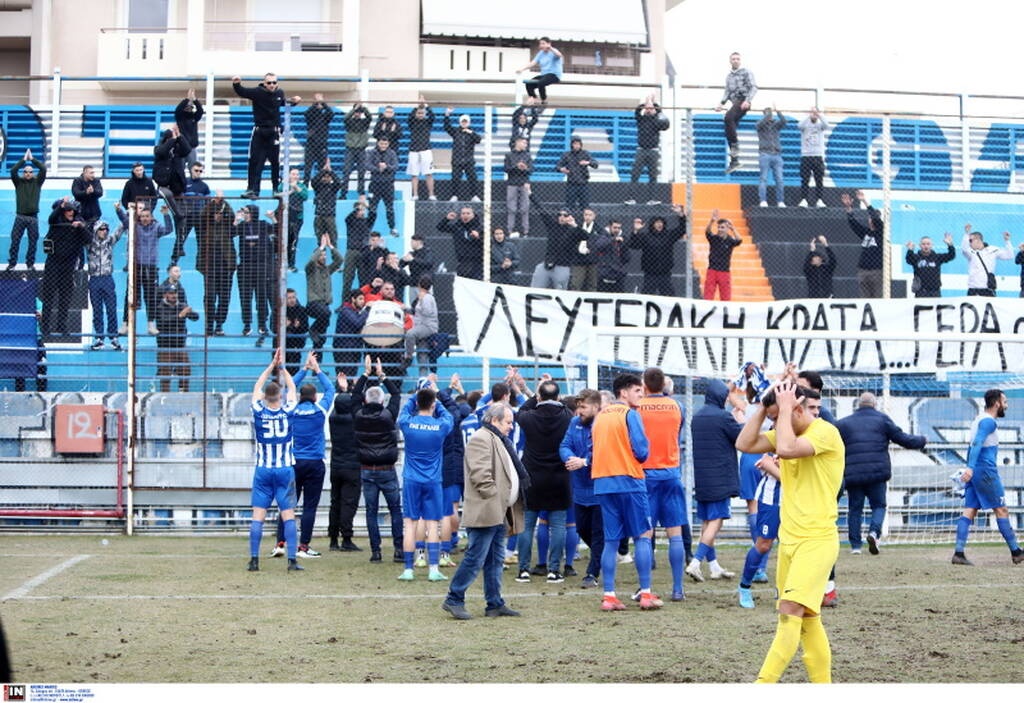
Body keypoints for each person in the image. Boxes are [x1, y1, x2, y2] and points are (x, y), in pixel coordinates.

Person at [735, 382, 843, 683]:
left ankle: (762, 685)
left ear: (796, 409)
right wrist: (761, 409)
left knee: (789, 609)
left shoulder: (824, 432)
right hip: (790, 542)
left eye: (779, 416)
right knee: (808, 619)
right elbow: (743, 444)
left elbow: (785, 449)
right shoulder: (787, 428)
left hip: (817, 541)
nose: (775, 423)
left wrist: (782, 410)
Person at [442, 402, 526, 619]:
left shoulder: (495, 438)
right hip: (487, 510)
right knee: (475, 558)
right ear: (494, 420)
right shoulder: (481, 438)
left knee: (494, 559)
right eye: (508, 422)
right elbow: (480, 474)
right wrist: (496, 497)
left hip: (497, 510)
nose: (511, 426)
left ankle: (494, 603)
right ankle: (454, 598)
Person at [590, 373, 660, 611]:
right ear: (624, 392)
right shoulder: (630, 414)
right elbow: (641, 451)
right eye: (637, 391)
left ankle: (609, 595)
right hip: (629, 480)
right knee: (643, 534)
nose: (641, 395)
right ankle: (646, 593)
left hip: (602, 482)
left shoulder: (599, 417)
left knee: (611, 540)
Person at [836, 392, 926, 556]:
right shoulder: (882, 420)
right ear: (874, 404)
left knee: (855, 509)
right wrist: (922, 440)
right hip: (877, 473)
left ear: (859, 404)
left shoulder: (844, 423)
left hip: (853, 474)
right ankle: (874, 533)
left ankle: (855, 546)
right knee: (878, 506)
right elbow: (903, 439)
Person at [269, 352, 335, 559]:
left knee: (287, 504)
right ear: (315, 397)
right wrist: (317, 370)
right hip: (315, 463)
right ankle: (303, 547)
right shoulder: (320, 411)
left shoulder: (291, 410)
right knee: (310, 506)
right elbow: (331, 389)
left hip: (294, 461)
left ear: (299, 396)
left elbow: (287, 388)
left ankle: (281, 543)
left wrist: (303, 370)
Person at [952, 388, 1024, 566]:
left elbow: (973, 445)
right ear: (997, 403)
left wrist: (970, 468)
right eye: (1005, 402)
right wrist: (970, 468)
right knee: (1001, 509)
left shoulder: (978, 419)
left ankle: (958, 553)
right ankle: (1016, 552)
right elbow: (976, 443)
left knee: (970, 509)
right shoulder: (988, 422)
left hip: (976, 470)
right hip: (985, 472)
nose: (1006, 406)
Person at [247, 349, 302, 573]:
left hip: (263, 469)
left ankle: (254, 560)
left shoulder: (259, 410)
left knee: (257, 516)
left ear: (264, 397)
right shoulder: (288, 409)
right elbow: (292, 389)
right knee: (288, 515)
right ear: (279, 397)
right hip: (284, 470)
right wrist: (282, 368)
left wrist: (270, 367)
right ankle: (291, 561)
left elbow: (256, 389)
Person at [514, 378, 574, 584]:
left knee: (527, 525)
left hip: (532, 477)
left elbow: (521, 410)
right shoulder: (567, 416)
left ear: (540, 396)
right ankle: (554, 570)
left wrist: (533, 395)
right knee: (558, 525)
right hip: (559, 476)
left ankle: (523, 569)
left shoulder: (529, 417)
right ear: (558, 397)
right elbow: (567, 404)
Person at [636, 367, 688, 602]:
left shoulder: (637, 409)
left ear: (644, 385)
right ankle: (678, 589)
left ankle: (645, 587)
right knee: (675, 534)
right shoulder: (678, 406)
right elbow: (677, 435)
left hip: (645, 474)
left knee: (645, 535)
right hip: (671, 472)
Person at [396, 381, 454, 582]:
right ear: (433, 405)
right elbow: (449, 416)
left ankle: (408, 569)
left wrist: (416, 396)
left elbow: (404, 410)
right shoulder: (441, 426)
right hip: (432, 480)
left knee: (410, 524)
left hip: (411, 479)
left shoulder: (408, 423)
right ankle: (433, 569)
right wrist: (436, 397)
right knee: (432, 524)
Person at [687, 379, 743, 582]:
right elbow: (742, 438)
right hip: (720, 477)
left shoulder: (697, 416)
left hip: (702, 477)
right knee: (716, 521)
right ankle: (695, 562)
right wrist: (739, 420)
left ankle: (714, 566)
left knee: (707, 521)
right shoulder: (723, 417)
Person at [353, 356, 404, 563]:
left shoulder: (358, 415)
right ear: (382, 401)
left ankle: (376, 551)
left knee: (371, 511)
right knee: (395, 510)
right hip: (387, 468)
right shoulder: (388, 415)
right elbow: (397, 393)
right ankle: (399, 549)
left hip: (367, 468)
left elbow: (355, 395)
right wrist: (382, 375)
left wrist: (366, 374)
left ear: (366, 401)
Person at [560, 389, 603, 588]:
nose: (579, 411)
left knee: (597, 533)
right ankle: (604, 553)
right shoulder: (574, 423)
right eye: (578, 406)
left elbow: (605, 451)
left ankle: (592, 573)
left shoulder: (603, 424)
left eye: (583, 407)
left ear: (596, 406)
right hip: (579, 489)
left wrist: (585, 461)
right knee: (582, 528)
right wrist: (570, 458)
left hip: (600, 488)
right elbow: (564, 445)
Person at [232, 73, 301, 198]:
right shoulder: (257, 92)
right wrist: (236, 83)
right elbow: (242, 92)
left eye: (274, 82)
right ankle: (252, 189)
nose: (272, 85)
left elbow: (282, 103)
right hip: (259, 131)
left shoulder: (279, 93)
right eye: (269, 83)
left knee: (275, 162)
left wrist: (294, 102)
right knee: (255, 161)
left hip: (273, 132)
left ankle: (276, 189)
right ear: (264, 83)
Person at [114, 203, 173, 336]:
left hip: (151, 267)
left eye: (147, 216)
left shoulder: (156, 227)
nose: (145, 218)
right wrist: (118, 210)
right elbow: (125, 220)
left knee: (151, 297)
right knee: (129, 296)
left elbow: (169, 229)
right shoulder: (135, 227)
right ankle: (125, 324)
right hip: (136, 266)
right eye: (143, 216)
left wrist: (166, 214)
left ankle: (151, 325)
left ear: (151, 217)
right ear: (139, 218)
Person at [736, 452, 781, 609]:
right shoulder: (776, 434)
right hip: (771, 499)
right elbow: (764, 461)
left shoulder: (809, 435)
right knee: (763, 544)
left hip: (798, 498)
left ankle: (786, 591)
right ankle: (745, 586)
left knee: (793, 545)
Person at [40, 200, 90, 337]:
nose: (71, 212)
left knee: (65, 297)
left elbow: (88, 239)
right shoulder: (57, 222)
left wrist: (80, 227)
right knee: (49, 296)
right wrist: (61, 206)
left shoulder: (77, 223)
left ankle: (61, 326)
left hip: (68, 267)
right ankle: (45, 327)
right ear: (63, 211)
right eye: (68, 210)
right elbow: (51, 219)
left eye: (72, 210)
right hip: (53, 264)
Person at [328, 371, 362, 551]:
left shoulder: (333, 418)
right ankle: (346, 538)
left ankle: (333, 538)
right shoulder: (354, 419)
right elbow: (356, 404)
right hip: (352, 466)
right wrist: (353, 388)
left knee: (335, 502)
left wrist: (342, 389)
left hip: (336, 465)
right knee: (349, 503)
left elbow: (340, 404)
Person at [233, 204, 275, 339]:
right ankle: (247, 325)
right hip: (245, 267)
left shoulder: (263, 225)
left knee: (261, 297)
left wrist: (273, 218)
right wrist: (236, 220)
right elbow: (231, 233)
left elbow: (277, 230)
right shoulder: (242, 226)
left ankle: (262, 325)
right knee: (245, 298)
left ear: (253, 213)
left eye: (246, 212)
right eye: (243, 212)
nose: (244, 214)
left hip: (261, 267)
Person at [196, 195, 235, 336]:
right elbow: (201, 216)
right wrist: (214, 204)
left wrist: (223, 202)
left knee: (225, 297)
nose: (218, 216)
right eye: (215, 214)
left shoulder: (228, 227)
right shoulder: (205, 227)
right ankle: (209, 325)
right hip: (209, 266)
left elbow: (232, 215)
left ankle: (219, 324)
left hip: (226, 266)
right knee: (210, 297)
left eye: (220, 213)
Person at [629, 205, 687, 297]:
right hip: (650, 274)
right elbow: (634, 245)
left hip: (665, 274)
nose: (659, 224)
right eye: (657, 222)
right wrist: (635, 231)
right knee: (647, 297)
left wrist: (681, 215)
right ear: (652, 224)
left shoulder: (669, 235)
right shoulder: (645, 236)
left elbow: (682, 229)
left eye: (661, 222)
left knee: (669, 297)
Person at [716, 52, 757, 174]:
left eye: (737, 59)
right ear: (730, 61)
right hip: (735, 104)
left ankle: (735, 149)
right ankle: (734, 161)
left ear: (740, 60)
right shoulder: (729, 76)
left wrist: (748, 100)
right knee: (729, 127)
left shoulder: (746, 72)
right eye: (733, 59)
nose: (735, 60)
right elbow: (727, 92)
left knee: (728, 118)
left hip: (743, 101)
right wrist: (721, 103)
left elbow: (753, 87)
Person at [154, 283, 199, 391]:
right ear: (165, 295)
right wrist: (180, 316)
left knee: (185, 369)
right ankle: (164, 395)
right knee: (165, 372)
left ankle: (183, 392)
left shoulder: (181, 306)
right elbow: (164, 322)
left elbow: (196, 317)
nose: (174, 296)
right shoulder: (160, 307)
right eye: (171, 293)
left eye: (175, 293)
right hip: (165, 346)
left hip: (180, 345)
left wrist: (190, 312)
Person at [86, 220, 122, 350]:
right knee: (97, 310)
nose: (104, 231)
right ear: (96, 230)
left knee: (111, 308)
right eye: (101, 229)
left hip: (107, 278)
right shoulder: (89, 242)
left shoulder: (110, 241)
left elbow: (120, 228)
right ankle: (99, 338)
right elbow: (81, 232)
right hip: (94, 279)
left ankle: (113, 337)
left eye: (106, 229)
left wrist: (123, 213)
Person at [305, 234, 343, 357]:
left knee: (321, 340)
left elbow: (339, 260)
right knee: (326, 314)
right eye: (322, 255)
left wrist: (331, 246)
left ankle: (316, 367)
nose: (324, 257)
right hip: (313, 304)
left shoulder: (327, 269)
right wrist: (321, 247)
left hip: (324, 306)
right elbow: (311, 261)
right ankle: (313, 329)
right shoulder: (311, 269)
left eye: (325, 255)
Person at [628, 94, 670, 204]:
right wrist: (644, 103)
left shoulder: (657, 120)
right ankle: (631, 198)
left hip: (653, 150)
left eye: (651, 109)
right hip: (641, 150)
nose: (649, 110)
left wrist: (654, 105)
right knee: (635, 174)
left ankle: (652, 198)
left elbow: (665, 124)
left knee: (653, 175)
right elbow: (637, 112)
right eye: (647, 108)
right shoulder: (641, 120)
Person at [8, 149, 46, 271]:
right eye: (25, 171)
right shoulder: (18, 183)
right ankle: (12, 264)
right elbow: (13, 170)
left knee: (33, 242)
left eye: (30, 172)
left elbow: (43, 169)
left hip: (33, 217)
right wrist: (24, 160)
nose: (28, 173)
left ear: (33, 173)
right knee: (15, 241)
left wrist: (32, 159)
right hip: (20, 217)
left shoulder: (38, 182)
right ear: (23, 173)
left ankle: (30, 265)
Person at [530, 205, 584, 290]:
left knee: (560, 292)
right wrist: (530, 195)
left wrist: (574, 225)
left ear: (569, 217)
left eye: (565, 215)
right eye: (560, 215)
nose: (562, 217)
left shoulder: (573, 231)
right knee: (537, 277)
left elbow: (586, 236)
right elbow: (542, 211)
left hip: (562, 266)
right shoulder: (553, 226)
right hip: (547, 264)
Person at [842, 190, 884, 298]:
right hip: (863, 271)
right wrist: (848, 208)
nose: (871, 220)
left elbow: (875, 218)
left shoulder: (881, 232)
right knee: (864, 298)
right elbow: (853, 224)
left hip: (876, 271)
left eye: (873, 218)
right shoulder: (866, 232)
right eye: (870, 218)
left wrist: (865, 201)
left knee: (877, 298)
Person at [171, 161, 211, 264]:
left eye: (200, 171)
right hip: (187, 215)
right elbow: (178, 199)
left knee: (202, 241)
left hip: (199, 217)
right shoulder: (184, 183)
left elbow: (208, 203)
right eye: (196, 170)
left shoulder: (204, 186)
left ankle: (202, 263)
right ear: (191, 170)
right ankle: (173, 260)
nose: (198, 173)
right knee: (181, 237)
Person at [961, 224, 1013, 297]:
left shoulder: (992, 250)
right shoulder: (971, 253)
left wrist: (1007, 241)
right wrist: (966, 234)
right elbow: (964, 249)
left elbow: (1009, 255)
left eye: (970, 240)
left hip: (988, 289)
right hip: (973, 289)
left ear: (978, 240)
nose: (969, 243)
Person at [363, 136, 399, 237]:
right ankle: (368, 229)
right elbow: (367, 165)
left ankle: (392, 228)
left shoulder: (392, 153)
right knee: (372, 208)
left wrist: (387, 167)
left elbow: (396, 166)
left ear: (388, 144)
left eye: (385, 144)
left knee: (390, 208)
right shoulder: (371, 152)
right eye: (382, 143)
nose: (383, 146)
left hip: (388, 185)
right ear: (378, 143)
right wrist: (378, 168)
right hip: (375, 184)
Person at [152, 125, 192, 214]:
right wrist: (172, 140)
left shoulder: (178, 151)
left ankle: (180, 220)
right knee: (169, 196)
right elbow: (162, 151)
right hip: (164, 185)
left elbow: (187, 150)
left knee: (183, 212)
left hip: (177, 186)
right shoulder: (158, 149)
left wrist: (179, 136)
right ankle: (177, 213)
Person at [443, 108, 482, 202]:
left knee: (472, 178)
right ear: (460, 122)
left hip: (468, 160)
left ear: (469, 122)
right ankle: (454, 195)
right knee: (455, 178)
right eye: (462, 122)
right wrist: (447, 115)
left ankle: (474, 195)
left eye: (466, 122)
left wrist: (470, 132)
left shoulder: (471, 133)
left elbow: (478, 139)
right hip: (457, 160)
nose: (464, 123)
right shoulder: (456, 132)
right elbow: (447, 127)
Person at [703, 208, 742, 301]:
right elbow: (707, 232)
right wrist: (712, 221)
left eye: (723, 227)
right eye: (719, 227)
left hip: (724, 272)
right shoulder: (714, 239)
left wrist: (733, 229)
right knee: (708, 296)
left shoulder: (730, 240)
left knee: (725, 298)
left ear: (727, 229)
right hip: (712, 270)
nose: (720, 229)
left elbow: (739, 240)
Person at [403, 274, 438, 373]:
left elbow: (427, 312)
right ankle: (423, 379)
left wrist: (422, 300)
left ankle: (408, 357)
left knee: (410, 334)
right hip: (420, 328)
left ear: (419, 285)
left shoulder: (427, 297)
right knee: (422, 355)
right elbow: (416, 311)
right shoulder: (423, 297)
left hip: (427, 327)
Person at [437, 207, 483, 280]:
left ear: (473, 215)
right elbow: (440, 227)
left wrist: (478, 237)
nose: (465, 215)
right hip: (462, 261)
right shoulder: (457, 226)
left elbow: (487, 243)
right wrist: (447, 219)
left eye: (468, 213)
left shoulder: (480, 227)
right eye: (463, 213)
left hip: (476, 262)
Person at [906, 233, 955, 297]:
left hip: (935, 292)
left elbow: (951, 256)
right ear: (920, 245)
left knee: (936, 306)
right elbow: (909, 259)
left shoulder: (937, 257)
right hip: (921, 292)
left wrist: (950, 245)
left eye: (928, 244)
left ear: (932, 245)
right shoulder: (916, 257)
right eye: (923, 244)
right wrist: (910, 250)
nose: (926, 246)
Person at [557, 136, 599, 212]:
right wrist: (561, 169)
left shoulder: (585, 154)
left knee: (585, 206)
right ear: (571, 145)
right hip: (571, 183)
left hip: (583, 183)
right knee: (569, 206)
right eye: (575, 144)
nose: (577, 146)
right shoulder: (567, 155)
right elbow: (557, 166)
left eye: (578, 144)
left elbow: (595, 164)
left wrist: (588, 162)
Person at [516, 37, 563, 104]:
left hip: (554, 75)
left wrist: (550, 48)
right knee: (529, 83)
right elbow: (533, 63)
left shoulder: (553, 51)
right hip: (544, 75)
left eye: (543, 43)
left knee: (541, 83)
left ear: (549, 44)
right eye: (540, 44)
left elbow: (559, 55)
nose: (541, 45)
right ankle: (534, 98)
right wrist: (521, 69)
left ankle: (544, 100)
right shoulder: (541, 53)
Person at [333, 288, 368, 377]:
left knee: (352, 375)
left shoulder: (358, 312)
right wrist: (366, 311)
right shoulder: (345, 310)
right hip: (344, 349)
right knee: (344, 376)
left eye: (363, 299)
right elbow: (357, 323)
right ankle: (341, 391)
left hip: (355, 348)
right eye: (360, 299)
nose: (362, 302)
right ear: (353, 299)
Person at [756, 106, 786, 207]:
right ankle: (763, 200)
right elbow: (760, 123)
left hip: (777, 155)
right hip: (765, 154)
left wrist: (778, 111)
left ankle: (780, 201)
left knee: (779, 179)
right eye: (767, 114)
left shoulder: (775, 126)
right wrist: (768, 115)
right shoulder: (760, 125)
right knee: (763, 178)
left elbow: (784, 121)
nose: (769, 116)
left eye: (770, 114)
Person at [798, 107, 828, 207]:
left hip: (817, 156)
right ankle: (804, 199)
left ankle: (819, 199)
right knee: (805, 179)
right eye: (812, 112)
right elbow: (799, 126)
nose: (814, 114)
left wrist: (819, 115)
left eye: (815, 112)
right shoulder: (805, 125)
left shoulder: (820, 126)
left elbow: (826, 125)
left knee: (819, 179)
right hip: (806, 156)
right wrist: (808, 116)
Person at [407, 99, 437, 201]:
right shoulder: (412, 123)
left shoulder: (427, 122)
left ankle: (431, 194)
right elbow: (410, 117)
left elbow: (433, 116)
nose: (420, 115)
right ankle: (415, 194)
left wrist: (426, 105)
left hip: (426, 150)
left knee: (428, 173)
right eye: (418, 113)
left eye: (422, 113)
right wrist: (417, 106)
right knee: (414, 174)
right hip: (414, 150)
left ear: (424, 113)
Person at [341, 102, 372, 198]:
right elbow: (345, 118)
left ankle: (361, 191)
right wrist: (354, 109)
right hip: (350, 149)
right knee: (346, 172)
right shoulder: (349, 122)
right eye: (356, 112)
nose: (357, 113)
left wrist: (363, 108)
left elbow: (369, 117)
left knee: (361, 172)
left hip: (361, 149)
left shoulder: (364, 122)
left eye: (359, 112)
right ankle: (343, 192)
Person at [302, 92, 334, 185]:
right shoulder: (310, 116)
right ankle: (305, 187)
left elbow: (331, 113)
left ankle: (320, 188)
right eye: (317, 102)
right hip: (310, 146)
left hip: (322, 146)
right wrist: (316, 103)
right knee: (307, 169)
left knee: (322, 169)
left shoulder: (325, 118)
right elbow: (307, 114)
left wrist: (323, 103)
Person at [504, 136, 533, 237]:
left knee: (525, 208)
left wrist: (525, 168)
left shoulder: (528, 156)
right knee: (511, 208)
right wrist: (516, 167)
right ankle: (510, 230)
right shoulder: (509, 155)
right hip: (512, 183)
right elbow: (506, 169)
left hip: (524, 183)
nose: (525, 145)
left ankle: (526, 231)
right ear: (518, 142)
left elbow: (531, 170)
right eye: (524, 143)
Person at [592, 219, 631, 293]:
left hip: (618, 273)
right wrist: (613, 239)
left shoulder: (622, 239)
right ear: (609, 227)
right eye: (615, 227)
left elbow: (627, 258)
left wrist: (624, 247)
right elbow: (599, 245)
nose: (617, 230)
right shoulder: (603, 236)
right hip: (605, 272)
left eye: (619, 228)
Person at [342, 199, 371, 293]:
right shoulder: (350, 221)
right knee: (347, 278)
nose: (361, 211)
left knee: (363, 278)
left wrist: (367, 207)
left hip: (364, 251)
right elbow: (348, 218)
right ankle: (345, 303)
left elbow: (373, 215)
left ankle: (363, 300)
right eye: (359, 210)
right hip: (352, 250)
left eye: (363, 210)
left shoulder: (367, 221)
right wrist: (358, 208)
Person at [283, 167, 308, 271]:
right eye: (293, 174)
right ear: (289, 175)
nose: (295, 176)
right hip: (285, 217)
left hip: (297, 218)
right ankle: (283, 262)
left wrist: (296, 187)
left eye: (297, 174)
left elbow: (305, 196)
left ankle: (291, 264)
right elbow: (279, 192)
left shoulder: (302, 186)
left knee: (293, 240)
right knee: (284, 239)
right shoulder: (284, 185)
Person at [311, 163, 342, 246]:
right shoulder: (318, 187)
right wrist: (323, 171)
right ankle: (321, 256)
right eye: (324, 176)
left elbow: (339, 182)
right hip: (319, 215)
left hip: (330, 215)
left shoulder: (333, 187)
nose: (326, 178)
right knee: (320, 241)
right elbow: (313, 181)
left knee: (333, 240)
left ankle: (335, 257)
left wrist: (330, 171)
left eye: (328, 177)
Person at [569, 207, 599, 292]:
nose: (588, 217)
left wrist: (591, 249)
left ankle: (591, 304)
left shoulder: (599, 229)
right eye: (586, 214)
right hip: (579, 260)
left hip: (592, 260)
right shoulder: (577, 226)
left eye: (590, 215)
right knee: (575, 284)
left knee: (592, 285)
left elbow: (600, 243)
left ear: (594, 216)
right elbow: (572, 241)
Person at [281, 288, 308, 375]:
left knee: (294, 371)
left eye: (293, 297)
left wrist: (296, 327)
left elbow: (305, 328)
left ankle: (292, 387)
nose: (292, 300)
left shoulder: (301, 310)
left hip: (296, 346)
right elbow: (273, 327)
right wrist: (284, 326)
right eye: (289, 298)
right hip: (282, 346)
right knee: (280, 372)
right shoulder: (279, 310)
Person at [174, 88, 204, 166]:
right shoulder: (180, 117)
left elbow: (200, 110)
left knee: (193, 168)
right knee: (180, 169)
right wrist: (187, 99)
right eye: (187, 107)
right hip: (181, 147)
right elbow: (178, 110)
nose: (189, 109)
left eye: (191, 107)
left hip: (192, 147)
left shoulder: (194, 117)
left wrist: (194, 99)